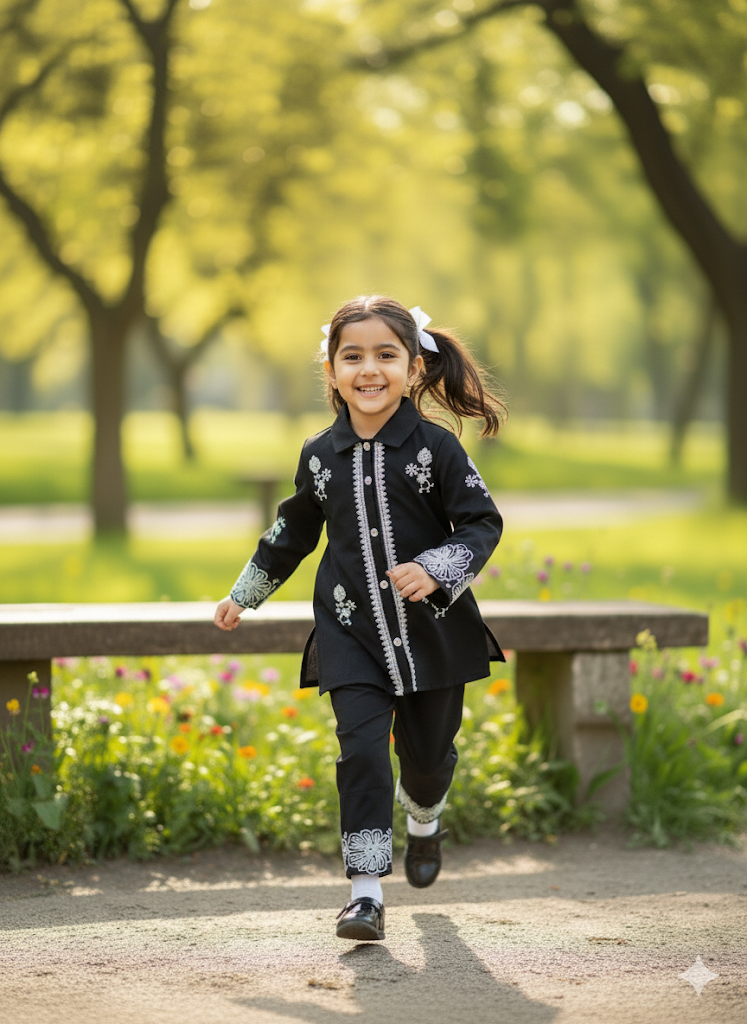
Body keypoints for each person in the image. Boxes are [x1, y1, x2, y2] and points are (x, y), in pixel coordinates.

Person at [214, 296, 506, 941]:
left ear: (413, 368)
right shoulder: (320, 456)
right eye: (353, 356)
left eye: (385, 355)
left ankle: (425, 821)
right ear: (332, 368)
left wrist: (436, 567)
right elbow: (292, 531)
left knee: (425, 759)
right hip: (350, 632)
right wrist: (246, 593)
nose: (368, 369)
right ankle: (365, 894)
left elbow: (484, 522)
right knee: (363, 754)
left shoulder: (437, 449)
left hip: (432, 632)